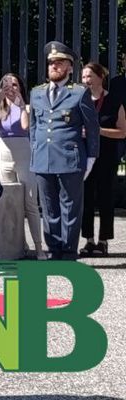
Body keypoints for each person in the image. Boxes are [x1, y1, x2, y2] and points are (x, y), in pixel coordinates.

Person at [29, 42, 100, 261]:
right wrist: (35, 150)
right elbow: (34, 127)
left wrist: (91, 158)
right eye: (51, 62)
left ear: (70, 67)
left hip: (70, 158)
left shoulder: (79, 93)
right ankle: (53, 250)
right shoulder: (36, 93)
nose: (54, 66)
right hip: (43, 158)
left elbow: (92, 127)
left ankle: (68, 252)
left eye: (59, 62)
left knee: (70, 207)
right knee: (49, 207)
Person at [0, 73, 45, 259]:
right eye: (6, 85)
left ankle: (39, 246)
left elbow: (26, 126)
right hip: (3, 155)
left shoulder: (26, 107)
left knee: (30, 202)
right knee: (7, 201)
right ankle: (16, 245)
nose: (11, 88)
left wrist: (20, 105)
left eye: (14, 85)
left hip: (23, 155)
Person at [79, 62, 126, 256]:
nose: (86, 80)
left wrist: (99, 131)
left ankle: (103, 240)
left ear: (100, 77)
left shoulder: (114, 101)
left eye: (89, 76)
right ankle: (88, 240)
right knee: (86, 197)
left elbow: (122, 132)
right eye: (83, 77)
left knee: (105, 196)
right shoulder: (80, 101)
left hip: (106, 156)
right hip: (85, 155)